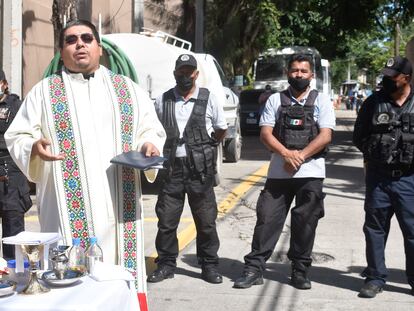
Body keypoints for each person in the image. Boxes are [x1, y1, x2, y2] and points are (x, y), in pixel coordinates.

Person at [5, 20, 166, 309]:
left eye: (86, 38)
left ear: (99, 47)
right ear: (62, 50)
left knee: (120, 278)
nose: (79, 44)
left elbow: (150, 129)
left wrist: (149, 144)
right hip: (65, 210)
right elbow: (17, 134)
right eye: (71, 40)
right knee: (70, 287)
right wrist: (33, 147)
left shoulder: (127, 89)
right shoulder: (44, 92)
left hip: (119, 207)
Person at [233, 54, 335, 289]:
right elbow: (265, 134)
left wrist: (299, 156)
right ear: (288, 73)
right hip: (279, 173)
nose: (298, 74)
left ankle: (300, 271)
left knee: (305, 223)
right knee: (267, 220)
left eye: (303, 71)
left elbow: (325, 135)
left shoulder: (322, 100)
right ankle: (254, 270)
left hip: (311, 173)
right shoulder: (275, 100)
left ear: (312, 75)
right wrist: (287, 155)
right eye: (294, 70)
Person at [147, 54, 227, 284]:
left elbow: (221, 129)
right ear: (175, 74)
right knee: (167, 222)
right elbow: (155, 130)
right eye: (181, 72)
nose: (185, 76)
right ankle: (166, 265)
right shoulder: (163, 100)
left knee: (206, 222)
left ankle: (209, 265)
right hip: (171, 171)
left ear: (196, 74)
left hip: (199, 172)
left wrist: (207, 147)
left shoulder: (208, 98)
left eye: (189, 72)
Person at [353, 56, 414, 298]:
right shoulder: (373, 103)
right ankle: (375, 277)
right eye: (385, 75)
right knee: (375, 229)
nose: (386, 79)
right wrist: (377, 150)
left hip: (409, 179)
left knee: (412, 231)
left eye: (392, 76)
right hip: (378, 178)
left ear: (406, 78)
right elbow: (359, 137)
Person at [0, 69, 32, 260]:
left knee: (13, 233)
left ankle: (15, 275)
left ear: (4, 84)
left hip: (10, 175)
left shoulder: (17, 106)